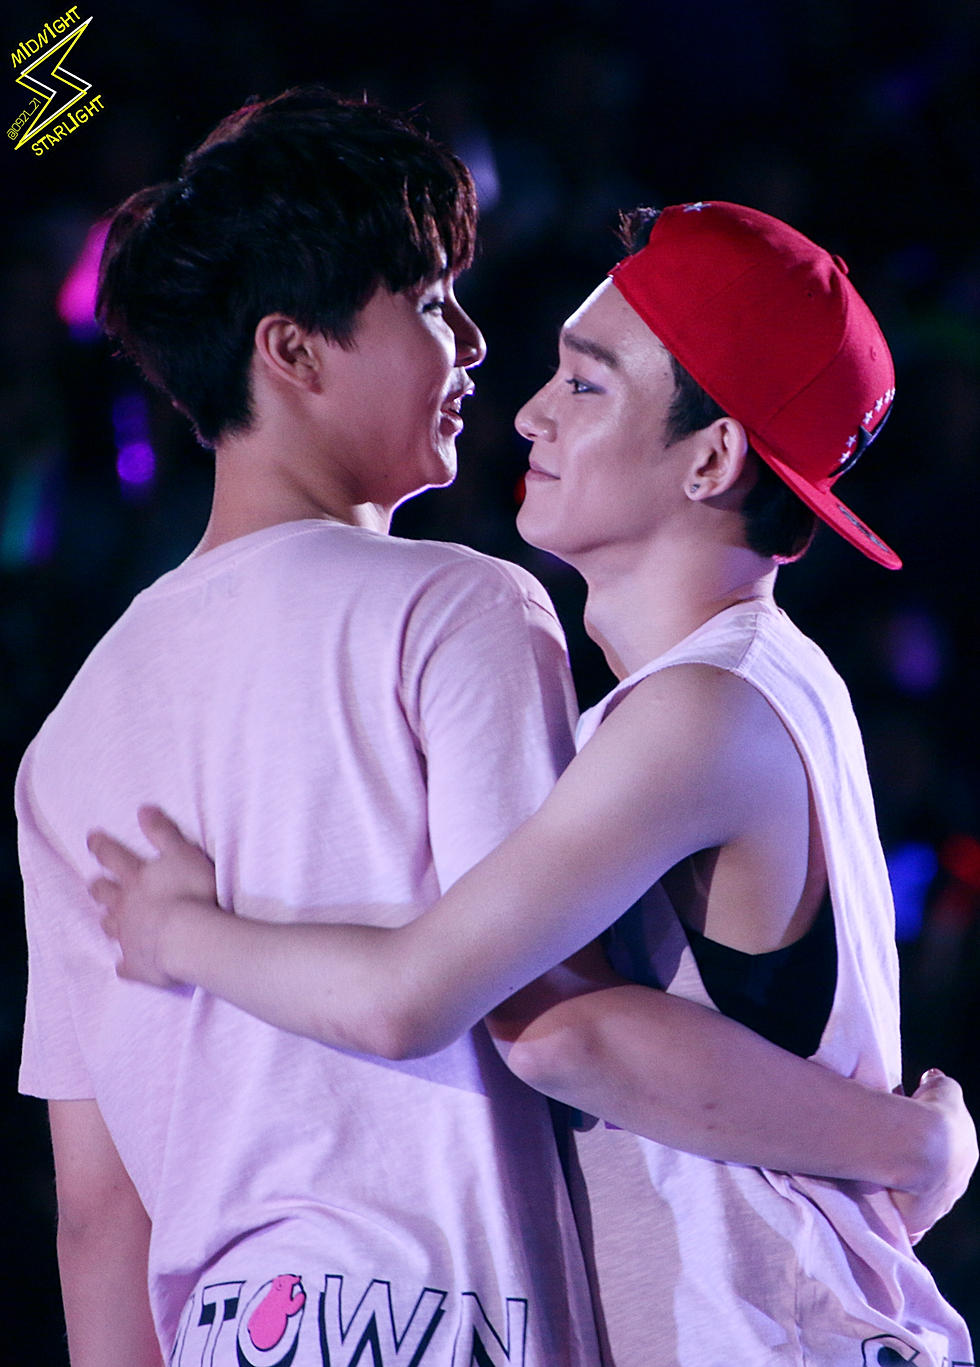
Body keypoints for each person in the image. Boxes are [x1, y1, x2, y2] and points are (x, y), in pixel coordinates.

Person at [88, 202, 975, 1367]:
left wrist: (179, 930)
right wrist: (907, 1147)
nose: (528, 411)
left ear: (712, 457)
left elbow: (503, 1019)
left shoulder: (701, 711)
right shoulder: (739, 688)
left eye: (586, 383)